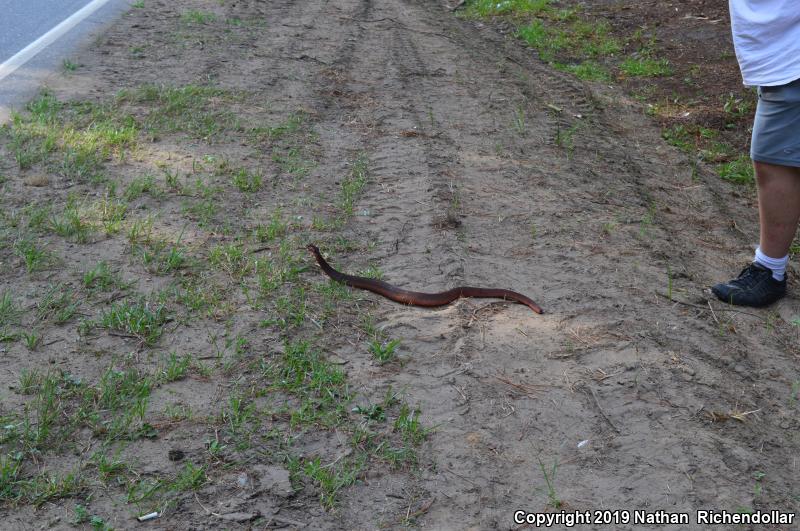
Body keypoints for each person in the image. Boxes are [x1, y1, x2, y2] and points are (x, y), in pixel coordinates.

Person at [712, 2, 800, 307]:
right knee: (774, 159)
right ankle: (770, 269)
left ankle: (770, 270)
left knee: (774, 159)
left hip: (791, 50)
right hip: (781, 46)